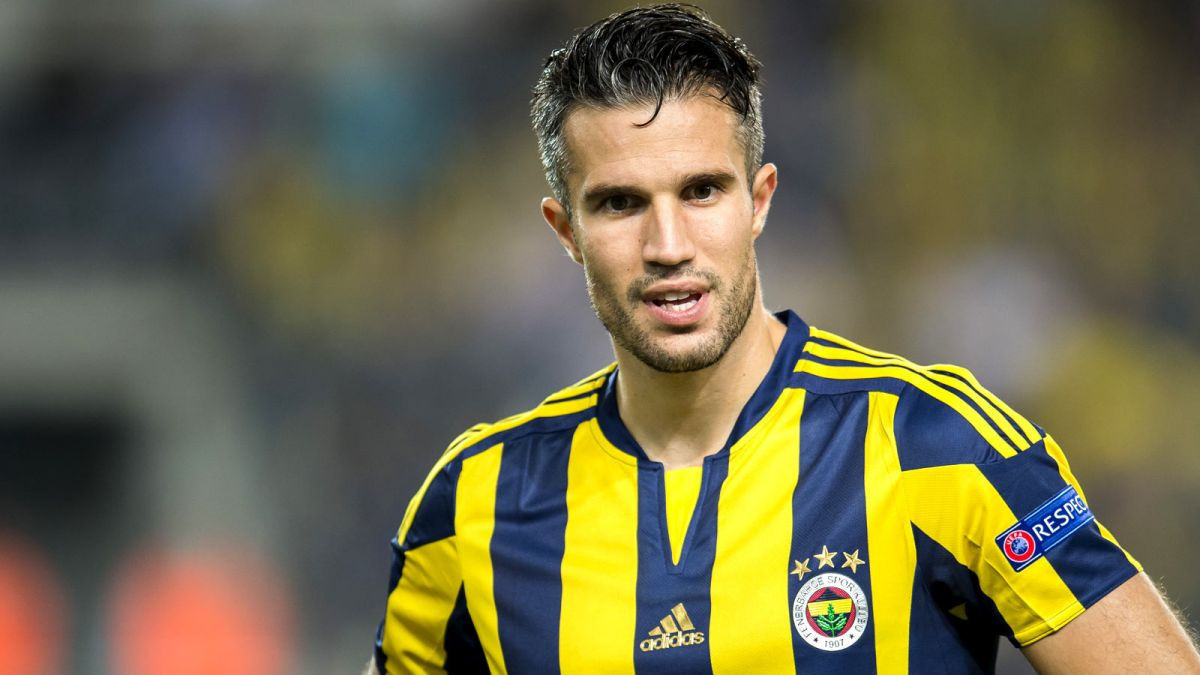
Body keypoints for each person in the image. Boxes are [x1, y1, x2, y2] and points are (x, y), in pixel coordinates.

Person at [367, 5, 1200, 673]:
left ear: (760, 201)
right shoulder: (474, 503)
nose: (668, 244)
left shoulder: (938, 444)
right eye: (620, 203)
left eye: (702, 191)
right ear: (565, 231)